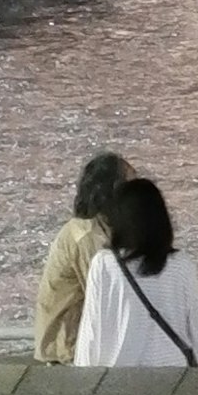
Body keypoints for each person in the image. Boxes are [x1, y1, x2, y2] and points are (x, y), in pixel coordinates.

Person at [71, 170, 198, 373]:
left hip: (120, 377)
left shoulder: (105, 264)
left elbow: (92, 329)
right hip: (176, 377)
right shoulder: (181, 265)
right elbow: (195, 328)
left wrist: (83, 376)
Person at [32, 148, 132, 364]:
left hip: (72, 345)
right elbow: (107, 295)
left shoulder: (92, 228)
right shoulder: (86, 236)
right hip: (68, 349)